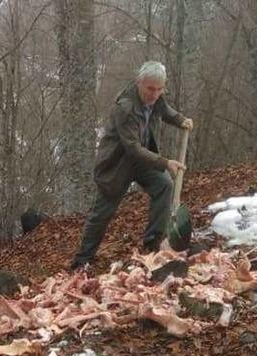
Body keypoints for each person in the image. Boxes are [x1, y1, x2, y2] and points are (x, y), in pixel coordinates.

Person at [70, 61, 194, 270]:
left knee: (164, 185)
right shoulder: (125, 108)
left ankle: (152, 242)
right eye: (150, 89)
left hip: (143, 159)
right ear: (139, 83)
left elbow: (164, 109)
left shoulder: (156, 95)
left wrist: (180, 120)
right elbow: (132, 148)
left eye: (159, 89)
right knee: (103, 212)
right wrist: (165, 162)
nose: (154, 94)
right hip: (118, 163)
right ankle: (82, 260)